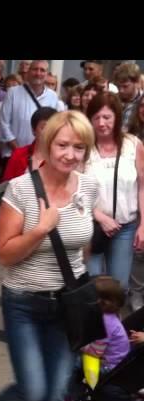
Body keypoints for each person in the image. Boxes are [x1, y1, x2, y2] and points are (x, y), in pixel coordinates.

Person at [0, 110, 98, 401]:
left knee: (52, 398)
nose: (70, 154)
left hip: (67, 306)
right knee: (33, 390)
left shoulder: (88, 188)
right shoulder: (21, 189)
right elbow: (5, 255)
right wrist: (40, 229)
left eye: (78, 147)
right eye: (63, 145)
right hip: (25, 303)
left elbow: (83, 247)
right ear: (48, 144)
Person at [83, 92, 144, 291]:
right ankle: (93, 322)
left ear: (117, 117)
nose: (101, 123)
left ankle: (111, 322)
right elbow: (75, 190)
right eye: (96, 117)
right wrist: (99, 216)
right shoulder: (83, 148)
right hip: (92, 226)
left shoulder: (133, 145)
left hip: (125, 227)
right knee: (92, 284)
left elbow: (142, 186)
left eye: (107, 117)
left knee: (120, 287)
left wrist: (143, 225)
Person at [0, 107, 58, 183]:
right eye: (44, 128)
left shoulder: (61, 158)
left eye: (52, 128)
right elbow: (6, 186)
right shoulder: (19, 155)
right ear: (33, 130)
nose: (48, 133)